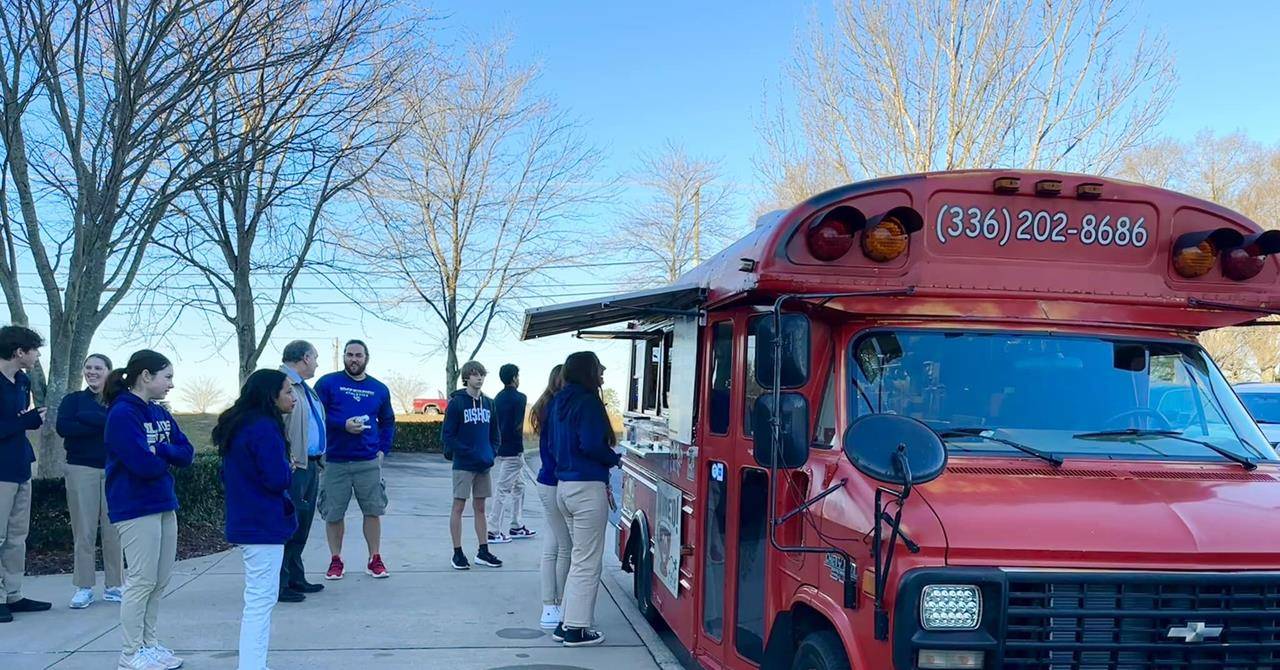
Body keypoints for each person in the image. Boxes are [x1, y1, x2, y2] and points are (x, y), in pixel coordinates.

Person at [104, 349, 194, 670]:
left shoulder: (159, 412)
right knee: (141, 580)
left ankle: (149, 644)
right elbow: (141, 464)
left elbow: (187, 453)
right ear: (146, 376)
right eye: (167, 377)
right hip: (134, 505)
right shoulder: (122, 414)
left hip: (163, 501)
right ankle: (130, 654)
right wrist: (163, 457)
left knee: (159, 580)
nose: (171, 384)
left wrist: (162, 450)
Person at [214, 369, 298, 670]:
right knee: (260, 602)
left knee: (258, 600)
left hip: (248, 520)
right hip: (262, 524)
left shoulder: (240, 424)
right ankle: (252, 665)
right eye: (288, 391)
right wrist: (288, 468)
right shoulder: (264, 428)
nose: (294, 397)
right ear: (270, 395)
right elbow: (276, 479)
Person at [551, 351, 620, 647]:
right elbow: (591, 443)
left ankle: (565, 622)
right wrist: (614, 459)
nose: (603, 371)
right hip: (587, 487)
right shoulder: (589, 402)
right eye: (599, 367)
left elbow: (553, 444)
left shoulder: (558, 402)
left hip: (564, 486)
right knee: (587, 561)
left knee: (579, 556)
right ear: (588, 372)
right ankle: (576, 629)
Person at [314, 339, 395, 580]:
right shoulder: (328, 383)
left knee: (373, 511)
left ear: (366, 358)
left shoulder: (379, 388)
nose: (354, 359)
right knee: (333, 513)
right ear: (344, 357)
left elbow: (388, 421)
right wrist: (342, 425)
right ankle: (336, 559)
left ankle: (374, 559)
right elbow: (316, 417)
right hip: (335, 461)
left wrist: (383, 450)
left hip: (367, 462)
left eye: (358, 355)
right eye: (349, 355)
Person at [57, 353, 124, 610]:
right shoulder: (73, 400)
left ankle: (114, 585)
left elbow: (118, 427)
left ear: (108, 371)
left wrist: (87, 418)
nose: (92, 372)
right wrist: (102, 422)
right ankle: (83, 587)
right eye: (88, 367)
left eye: (98, 368)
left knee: (113, 530)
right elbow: (64, 428)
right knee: (83, 531)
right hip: (80, 469)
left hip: (113, 470)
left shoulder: (119, 400)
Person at [0, 325, 49, 624]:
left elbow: (14, 421)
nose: (37, 355)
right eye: (35, 350)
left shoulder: (23, 380)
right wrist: (25, 422)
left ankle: (13, 594)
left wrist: (26, 421)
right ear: (19, 352)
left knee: (18, 536)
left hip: (20, 466)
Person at [277, 341, 326, 602]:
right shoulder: (281, 384)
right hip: (294, 466)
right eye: (316, 358)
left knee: (302, 524)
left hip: (311, 464)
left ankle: (296, 576)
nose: (317, 363)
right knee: (290, 523)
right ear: (305, 358)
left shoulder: (304, 389)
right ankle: (281, 582)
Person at [441, 360, 502, 570]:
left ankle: (483, 551)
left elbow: (495, 433)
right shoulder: (457, 403)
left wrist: (491, 453)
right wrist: (468, 451)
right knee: (458, 506)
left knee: (480, 508)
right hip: (463, 464)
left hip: (484, 464)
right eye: (475, 374)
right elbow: (447, 435)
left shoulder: (489, 403)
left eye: (482, 374)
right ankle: (457, 553)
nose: (480, 378)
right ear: (467, 377)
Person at [531, 364, 569, 630]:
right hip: (558, 481)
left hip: (546, 480)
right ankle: (561, 603)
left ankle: (549, 605)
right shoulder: (560, 407)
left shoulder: (544, 405)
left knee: (552, 544)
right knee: (565, 546)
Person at [487, 363, 533, 543]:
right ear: (514, 378)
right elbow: (518, 424)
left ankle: (516, 525)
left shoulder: (497, 398)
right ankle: (492, 529)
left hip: (501, 447)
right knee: (503, 489)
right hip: (513, 449)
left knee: (519, 486)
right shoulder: (520, 398)